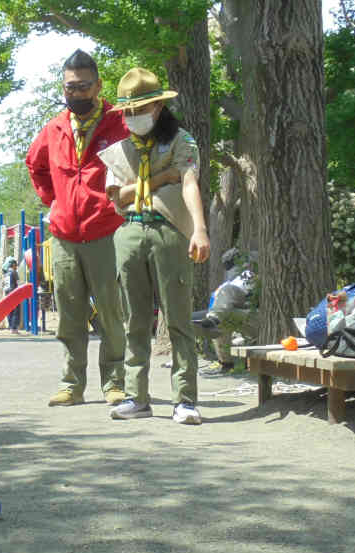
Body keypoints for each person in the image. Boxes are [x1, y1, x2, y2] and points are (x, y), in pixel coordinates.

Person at [99, 68, 211, 425]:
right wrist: (163, 177)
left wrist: (200, 230)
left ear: (158, 108)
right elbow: (118, 197)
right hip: (130, 231)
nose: (134, 118)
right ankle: (137, 397)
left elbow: (190, 182)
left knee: (178, 318)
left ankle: (185, 400)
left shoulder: (182, 141)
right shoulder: (119, 151)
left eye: (141, 110)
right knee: (134, 319)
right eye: (128, 113)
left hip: (169, 231)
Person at [26, 49, 129, 407]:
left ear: (98, 86)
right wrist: (54, 200)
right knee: (69, 316)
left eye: (83, 86)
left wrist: (116, 202)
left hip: (106, 231)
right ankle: (71, 384)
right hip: (64, 235)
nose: (76, 94)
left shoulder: (119, 123)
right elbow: (34, 165)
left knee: (111, 311)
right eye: (70, 87)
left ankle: (115, 383)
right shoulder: (53, 128)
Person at [4, 258, 21, 334]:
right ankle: (14, 328)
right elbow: (18, 282)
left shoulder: (6, 273)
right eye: (16, 265)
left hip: (7, 292)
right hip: (13, 292)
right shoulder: (14, 272)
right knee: (16, 311)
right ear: (13, 265)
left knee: (9, 310)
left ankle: (10, 326)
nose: (16, 266)